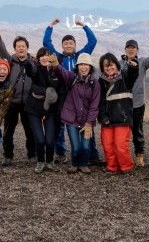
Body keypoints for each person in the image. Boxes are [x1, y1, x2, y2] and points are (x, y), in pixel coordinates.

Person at [43, 18, 100, 164]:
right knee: (61, 124)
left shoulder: (80, 56)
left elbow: (93, 42)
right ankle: (61, 153)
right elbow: (46, 43)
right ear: (62, 46)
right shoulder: (59, 57)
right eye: (66, 43)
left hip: (82, 94)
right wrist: (50, 26)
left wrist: (84, 26)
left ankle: (92, 155)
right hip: (63, 95)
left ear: (75, 45)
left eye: (71, 43)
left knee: (87, 123)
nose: (68, 45)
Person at [0, 25, 37, 166]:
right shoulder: (10, 61)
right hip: (11, 101)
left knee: (30, 130)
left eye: (23, 46)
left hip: (28, 102)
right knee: (9, 130)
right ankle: (8, 156)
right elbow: (1, 51)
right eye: (18, 46)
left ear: (27, 48)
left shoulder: (33, 62)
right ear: (15, 48)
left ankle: (32, 154)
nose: (21, 48)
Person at [55, 53, 100, 174]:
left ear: (90, 66)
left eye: (86, 64)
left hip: (87, 120)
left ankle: (84, 164)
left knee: (85, 147)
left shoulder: (95, 83)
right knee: (75, 147)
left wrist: (90, 123)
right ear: (77, 66)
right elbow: (62, 72)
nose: (83, 67)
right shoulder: (72, 78)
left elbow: (95, 105)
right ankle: (75, 164)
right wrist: (56, 64)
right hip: (72, 119)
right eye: (81, 64)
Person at [23, 48, 66, 172]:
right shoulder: (36, 69)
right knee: (40, 139)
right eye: (42, 55)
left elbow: (61, 91)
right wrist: (27, 62)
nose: (45, 57)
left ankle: (50, 161)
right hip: (34, 109)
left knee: (50, 139)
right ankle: (40, 162)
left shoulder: (57, 72)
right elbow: (31, 71)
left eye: (47, 55)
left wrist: (60, 109)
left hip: (51, 111)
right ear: (38, 58)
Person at [97, 52, 139, 174]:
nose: (109, 68)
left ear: (116, 65)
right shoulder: (101, 82)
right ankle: (112, 167)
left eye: (112, 65)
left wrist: (133, 66)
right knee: (107, 145)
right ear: (102, 68)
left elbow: (133, 74)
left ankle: (126, 167)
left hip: (123, 118)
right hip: (107, 119)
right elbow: (100, 102)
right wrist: (102, 117)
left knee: (120, 145)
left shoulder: (125, 76)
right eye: (106, 66)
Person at [120, 37, 149, 167]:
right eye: (128, 47)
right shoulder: (120, 64)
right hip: (123, 103)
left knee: (137, 130)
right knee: (122, 131)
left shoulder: (142, 62)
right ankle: (123, 154)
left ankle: (139, 154)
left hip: (138, 102)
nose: (131, 49)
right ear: (125, 49)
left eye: (133, 47)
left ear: (137, 50)